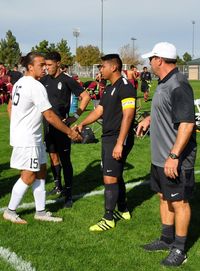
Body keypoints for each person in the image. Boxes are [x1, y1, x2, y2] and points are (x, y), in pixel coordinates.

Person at [136, 42, 197, 267]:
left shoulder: (178, 85)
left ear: (159, 60)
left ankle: (180, 250)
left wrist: (174, 156)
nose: (149, 62)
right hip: (160, 156)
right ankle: (166, 239)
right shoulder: (163, 82)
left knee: (179, 201)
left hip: (175, 159)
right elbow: (168, 111)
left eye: (151, 58)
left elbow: (187, 124)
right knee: (163, 197)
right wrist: (148, 119)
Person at [3, 52, 81, 224]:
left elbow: (10, 108)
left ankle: (41, 211)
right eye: (41, 65)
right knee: (29, 175)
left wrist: (17, 126)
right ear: (30, 67)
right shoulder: (35, 86)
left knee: (41, 171)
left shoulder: (19, 83)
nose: (44, 67)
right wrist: (69, 132)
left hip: (31, 137)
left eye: (46, 65)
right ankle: (10, 211)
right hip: (28, 139)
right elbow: (50, 116)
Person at [77, 54, 136, 232]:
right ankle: (124, 209)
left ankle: (108, 218)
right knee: (115, 174)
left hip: (118, 138)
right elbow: (99, 111)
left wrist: (119, 143)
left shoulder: (125, 87)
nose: (100, 70)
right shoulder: (111, 88)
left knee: (109, 177)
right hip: (108, 137)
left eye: (102, 67)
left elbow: (129, 115)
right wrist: (82, 123)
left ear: (114, 68)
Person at [40, 51, 90, 208]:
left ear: (58, 64)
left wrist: (74, 117)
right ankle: (57, 186)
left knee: (65, 160)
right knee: (53, 157)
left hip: (63, 127)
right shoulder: (44, 80)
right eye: (45, 65)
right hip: (47, 126)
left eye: (49, 65)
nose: (46, 68)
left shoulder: (67, 80)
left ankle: (68, 194)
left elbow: (86, 96)